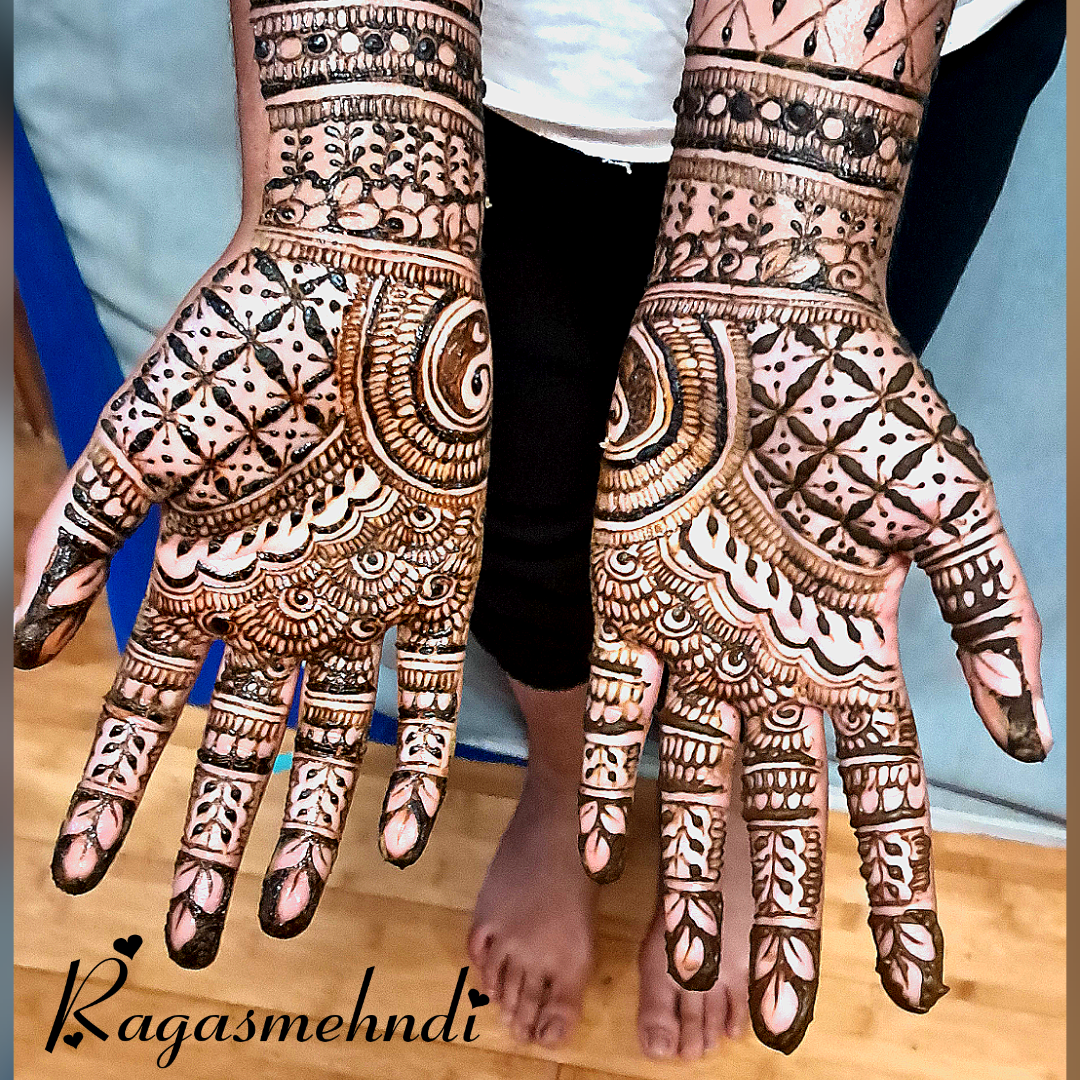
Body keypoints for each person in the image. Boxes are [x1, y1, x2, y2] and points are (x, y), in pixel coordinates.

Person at [13, 0, 1062, 1061]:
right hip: (507, 69)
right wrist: (347, 186)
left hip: (908, 75)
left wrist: (785, 245)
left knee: (783, 497)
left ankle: (737, 807)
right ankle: (561, 783)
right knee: (503, 480)